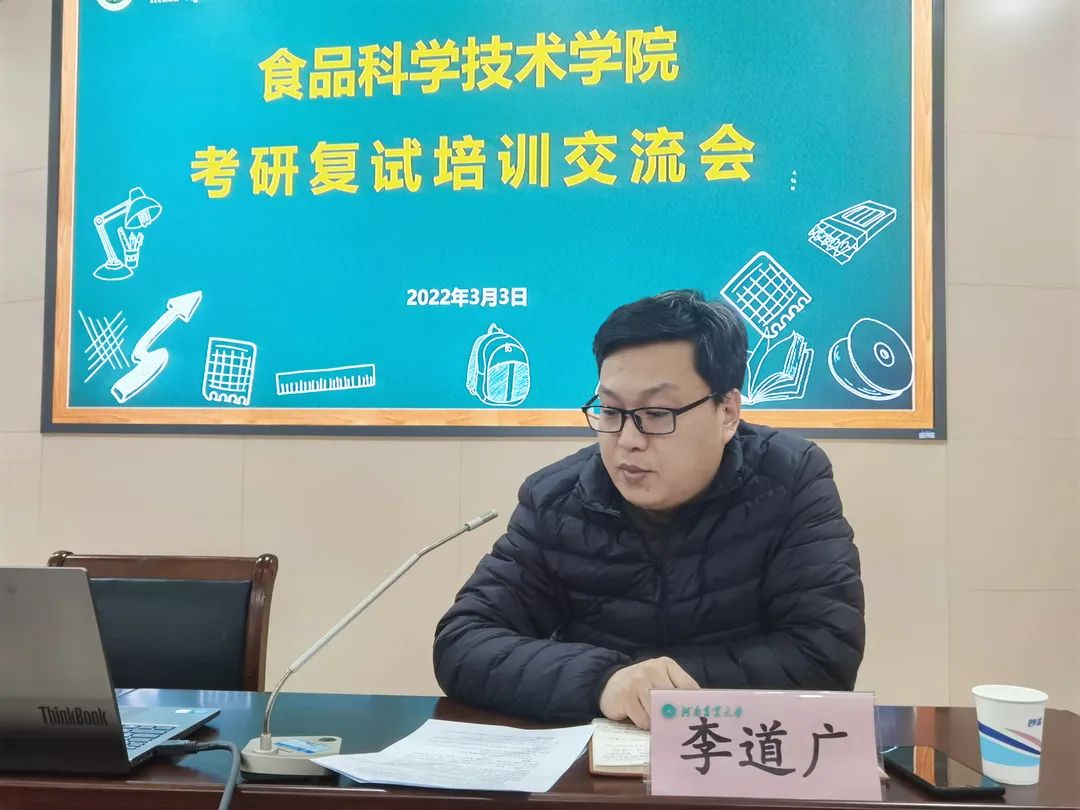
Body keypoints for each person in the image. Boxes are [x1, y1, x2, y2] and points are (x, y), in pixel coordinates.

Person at [433, 290, 865, 729]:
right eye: (610, 410)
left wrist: (649, 684)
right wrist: (604, 681)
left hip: (739, 750)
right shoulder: (557, 499)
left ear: (728, 412)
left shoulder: (790, 478)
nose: (627, 440)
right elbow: (463, 642)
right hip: (596, 760)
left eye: (657, 413)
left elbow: (824, 654)